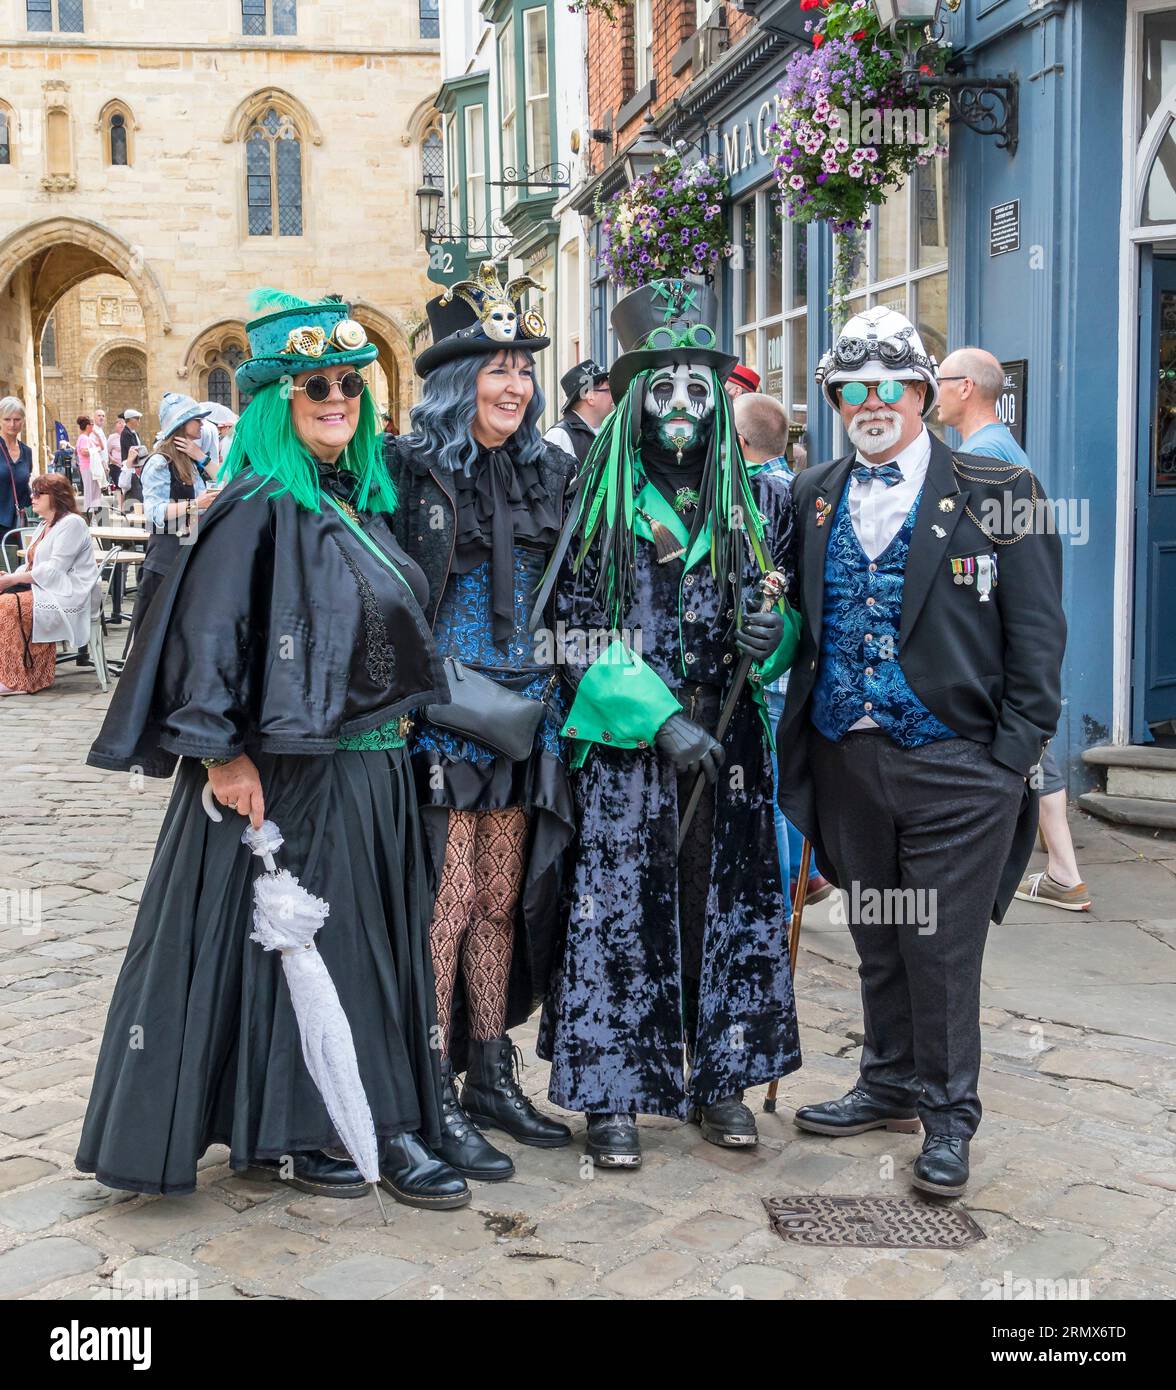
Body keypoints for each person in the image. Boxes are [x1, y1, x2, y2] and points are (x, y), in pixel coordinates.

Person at [77, 288, 469, 1210]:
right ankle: (323, 1130)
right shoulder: (252, 506)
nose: (338, 398)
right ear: (274, 404)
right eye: (314, 388)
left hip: (369, 768)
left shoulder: (354, 496)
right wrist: (220, 756)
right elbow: (206, 638)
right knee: (318, 949)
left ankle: (365, 1113)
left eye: (350, 384)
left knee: (369, 948)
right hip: (294, 775)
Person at [776, 307, 1066, 1198]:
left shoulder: (996, 490)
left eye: (889, 385)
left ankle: (948, 1120)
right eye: (851, 387)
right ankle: (888, 1080)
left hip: (956, 763)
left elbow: (1040, 634)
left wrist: (1007, 756)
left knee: (940, 947)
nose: (871, 402)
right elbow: (797, 615)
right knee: (877, 930)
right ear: (833, 399)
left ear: (924, 393)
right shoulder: (812, 490)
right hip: (845, 756)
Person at [537, 279, 803, 1168]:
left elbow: (786, 621)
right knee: (618, 910)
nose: (684, 407)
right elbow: (572, 629)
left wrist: (776, 637)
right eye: (665, 389)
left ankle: (719, 1078)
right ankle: (614, 1090)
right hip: (626, 749)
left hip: (730, 744)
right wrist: (657, 719)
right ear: (637, 402)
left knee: (723, 902)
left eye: (699, 389)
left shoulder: (758, 506)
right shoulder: (598, 501)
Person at [386, 263, 575, 1182]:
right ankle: (432, 1085)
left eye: (525, 369)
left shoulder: (551, 468)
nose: (515, 385)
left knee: (503, 901)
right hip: (442, 718)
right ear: (460, 382)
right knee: (447, 905)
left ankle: (493, 1072)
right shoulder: (407, 467)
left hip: (522, 714)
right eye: (497, 369)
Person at [938, 347, 1090, 912]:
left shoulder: (987, 455)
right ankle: (1062, 872)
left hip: (995, 635)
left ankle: (1063, 873)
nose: (932, 388)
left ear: (966, 389)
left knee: (1030, 753)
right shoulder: (988, 449)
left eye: (941, 378)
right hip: (997, 634)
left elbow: (1015, 565)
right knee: (1034, 753)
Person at [732, 390, 833, 908]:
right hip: (801, 659)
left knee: (766, 782)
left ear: (740, 439)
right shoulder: (801, 487)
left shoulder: (752, 497)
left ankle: (779, 884)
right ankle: (806, 873)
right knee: (791, 773)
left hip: (769, 658)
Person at [0, 473, 99, 695]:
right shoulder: (46, 524)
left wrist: (12, 580)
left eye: (38, 493)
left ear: (56, 497)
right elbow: (32, 565)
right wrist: (9, 576)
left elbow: (53, 570)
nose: (32, 497)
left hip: (67, 594)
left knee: (5, 606)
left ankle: (15, 680)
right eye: (33, 493)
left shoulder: (72, 523)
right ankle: (19, 672)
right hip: (45, 588)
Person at [132, 393, 219, 635]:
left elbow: (227, 480)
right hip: (165, 557)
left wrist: (200, 456)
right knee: (156, 633)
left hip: (188, 552)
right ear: (181, 424)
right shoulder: (160, 462)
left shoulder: (191, 460)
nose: (202, 424)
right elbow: (154, 512)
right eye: (197, 419)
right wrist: (195, 504)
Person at [543, 359, 612, 465]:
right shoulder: (559, 437)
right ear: (590, 396)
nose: (614, 395)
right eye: (608, 390)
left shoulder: (608, 429)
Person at [1, 396, 34, 568]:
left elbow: (24, 487)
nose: (12, 424)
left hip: (18, 523)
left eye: (16, 419)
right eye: (7, 419)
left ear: (22, 421)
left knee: (17, 571)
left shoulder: (27, 452)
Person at [75, 416, 104, 515]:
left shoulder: (88, 438)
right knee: (90, 492)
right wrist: (95, 450)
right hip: (87, 467)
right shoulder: (83, 438)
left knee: (96, 492)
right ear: (88, 426)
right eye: (92, 425)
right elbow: (84, 452)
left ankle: (95, 513)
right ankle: (89, 514)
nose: (93, 427)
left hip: (93, 467)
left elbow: (102, 447)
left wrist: (98, 435)